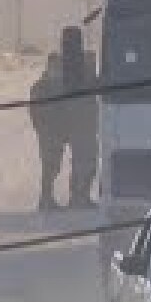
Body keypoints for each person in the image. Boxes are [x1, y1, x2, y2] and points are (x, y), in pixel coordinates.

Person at [60, 26, 98, 210]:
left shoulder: (62, 64)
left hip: (71, 120)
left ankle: (78, 197)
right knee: (86, 160)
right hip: (85, 120)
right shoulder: (85, 62)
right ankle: (80, 197)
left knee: (78, 160)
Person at [28, 53, 69, 211]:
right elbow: (35, 110)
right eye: (54, 66)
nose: (57, 69)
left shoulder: (61, 85)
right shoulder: (40, 87)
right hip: (47, 131)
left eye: (58, 66)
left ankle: (47, 198)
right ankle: (45, 199)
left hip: (58, 131)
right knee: (49, 165)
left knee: (55, 165)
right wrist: (41, 128)